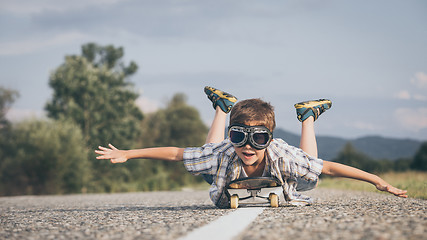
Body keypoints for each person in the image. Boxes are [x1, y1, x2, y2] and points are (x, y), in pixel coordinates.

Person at [95, 86, 408, 208]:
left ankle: (307, 117)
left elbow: (328, 167)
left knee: (311, 175)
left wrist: (378, 181)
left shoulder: (280, 155)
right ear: (233, 137)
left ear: (268, 139)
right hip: (225, 177)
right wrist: (128, 153)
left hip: (280, 177)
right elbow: (177, 152)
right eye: (239, 137)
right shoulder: (225, 151)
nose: (247, 147)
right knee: (209, 159)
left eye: (258, 139)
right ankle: (222, 107)